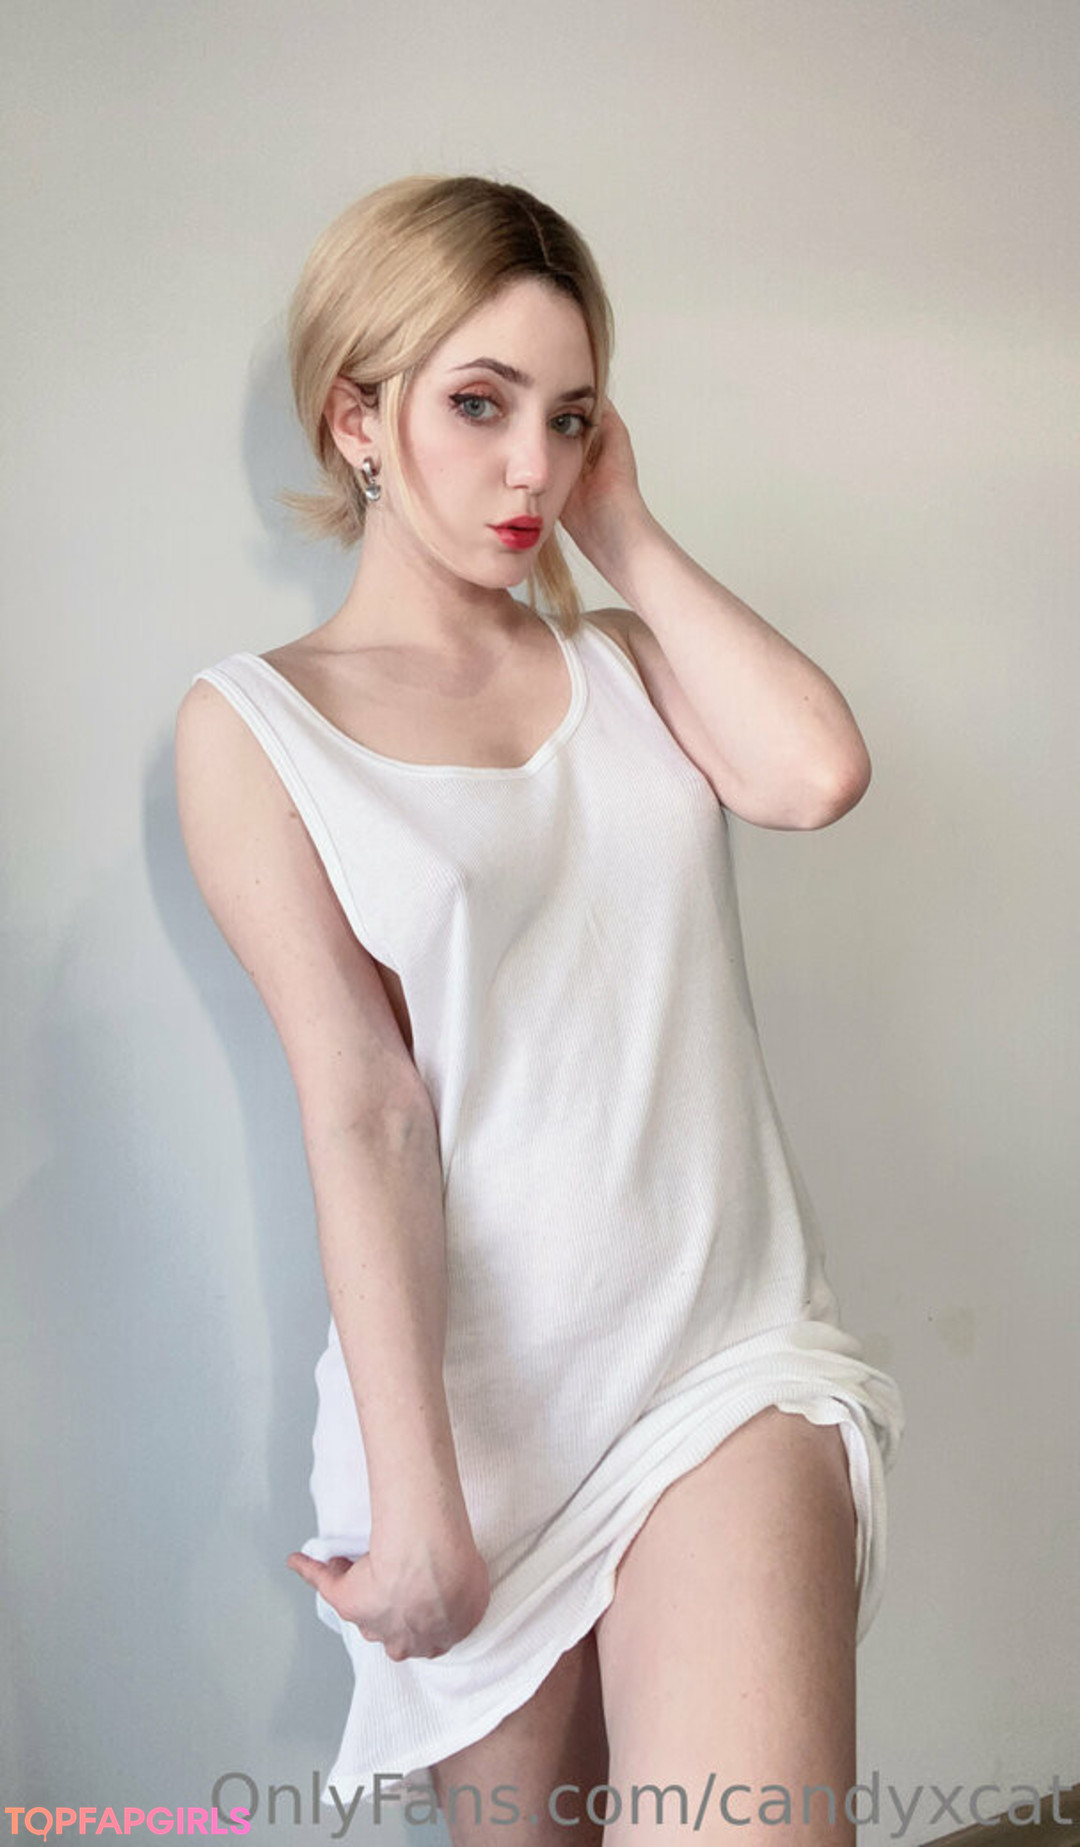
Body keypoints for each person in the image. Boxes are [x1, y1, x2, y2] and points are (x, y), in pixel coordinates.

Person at [175, 174, 904, 1847]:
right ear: (356, 415)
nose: (531, 468)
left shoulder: (631, 665)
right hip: (474, 1422)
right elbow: (366, 1108)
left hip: (722, 1359)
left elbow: (816, 773)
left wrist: (619, 527)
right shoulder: (256, 729)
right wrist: (418, 1501)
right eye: (479, 405)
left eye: (569, 418)